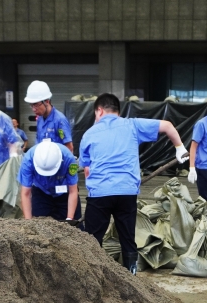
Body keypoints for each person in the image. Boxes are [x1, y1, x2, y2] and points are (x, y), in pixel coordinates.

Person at [79, 92, 187, 275]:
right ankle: (131, 275)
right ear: (118, 111)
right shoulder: (131, 125)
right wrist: (179, 148)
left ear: (99, 111)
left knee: (92, 239)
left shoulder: (89, 134)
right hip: (127, 192)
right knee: (127, 238)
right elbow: (168, 126)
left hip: (100, 194)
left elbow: (87, 170)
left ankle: (90, 276)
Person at [18, 139, 80, 223]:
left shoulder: (69, 159)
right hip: (41, 191)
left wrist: (70, 218)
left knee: (76, 227)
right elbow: (26, 193)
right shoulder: (28, 160)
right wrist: (28, 222)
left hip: (65, 192)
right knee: (38, 224)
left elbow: (73, 190)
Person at [25, 80, 73, 151]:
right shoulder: (40, 119)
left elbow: (69, 148)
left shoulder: (59, 121)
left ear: (46, 101)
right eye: (31, 105)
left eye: (36, 105)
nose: (34, 109)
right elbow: (38, 142)